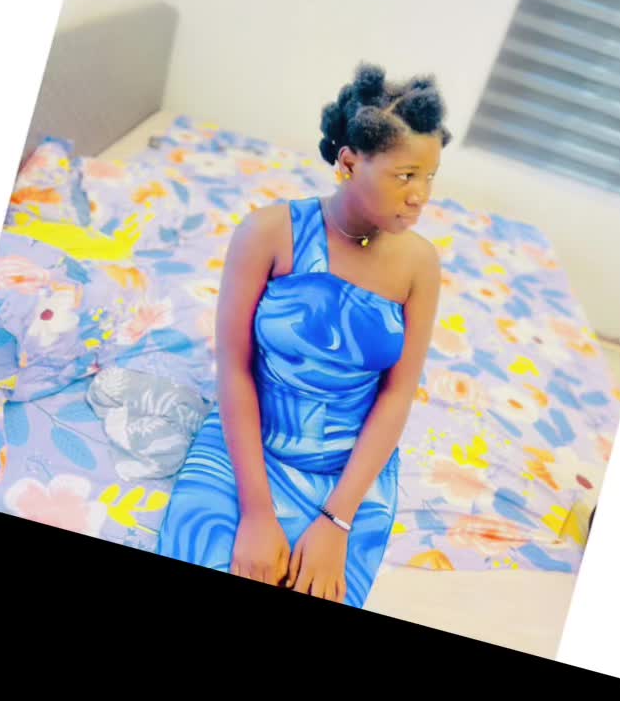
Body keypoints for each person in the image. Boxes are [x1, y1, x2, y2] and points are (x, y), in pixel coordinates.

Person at [157, 62, 451, 608]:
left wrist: (337, 522)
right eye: (406, 175)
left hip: (349, 468)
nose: (420, 196)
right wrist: (257, 512)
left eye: (430, 176)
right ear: (349, 163)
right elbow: (234, 368)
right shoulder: (269, 233)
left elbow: (397, 394)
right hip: (252, 443)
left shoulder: (419, 265)